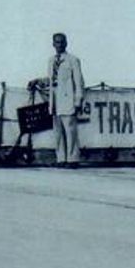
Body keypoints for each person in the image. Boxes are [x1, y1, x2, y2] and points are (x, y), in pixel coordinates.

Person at [44, 33, 85, 167]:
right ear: (53, 44)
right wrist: (37, 81)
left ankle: (72, 159)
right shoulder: (51, 61)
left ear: (66, 43)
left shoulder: (73, 60)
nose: (59, 45)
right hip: (55, 100)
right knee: (58, 132)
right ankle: (61, 159)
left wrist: (78, 100)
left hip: (68, 101)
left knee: (70, 131)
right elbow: (50, 79)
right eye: (56, 42)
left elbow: (79, 82)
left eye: (61, 42)